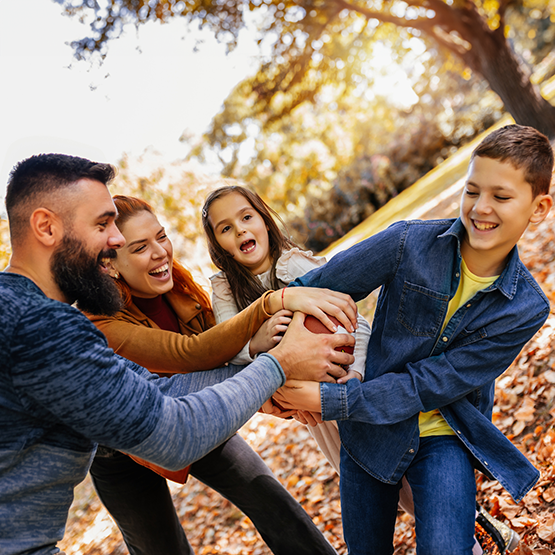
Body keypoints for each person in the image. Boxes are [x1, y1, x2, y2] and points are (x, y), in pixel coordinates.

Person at [0, 153, 358, 555]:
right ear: (46, 227)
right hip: (132, 447)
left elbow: (162, 391)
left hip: (155, 417)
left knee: (269, 499)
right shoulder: (44, 326)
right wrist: (277, 365)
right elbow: (177, 411)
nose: (114, 239)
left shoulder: (37, 316)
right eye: (102, 225)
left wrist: (270, 382)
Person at [272, 124, 553, 554]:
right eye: (472, 190)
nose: (480, 208)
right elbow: (320, 286)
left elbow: (428, 383)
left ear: (539, 209)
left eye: (501, 196)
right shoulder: (408, 243)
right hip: (369, 433)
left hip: (444, 437)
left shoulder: (525, 309)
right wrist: (279, 359)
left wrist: (327, 400)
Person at [201, 184, 520, 555]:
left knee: (405, 475)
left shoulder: (297, 266)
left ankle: (469, 533)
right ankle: (474, 522)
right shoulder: (226, 291)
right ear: (217, 244)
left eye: (246, 217)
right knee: (370, 481)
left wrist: (355, 376)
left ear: (263, 219)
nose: (240, 230)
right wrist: (254, 344)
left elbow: (355, 323)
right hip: (315, 412)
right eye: (225, 228)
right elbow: (228, 347)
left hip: (353, 390)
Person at [86, 194, 343, 555]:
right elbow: (188, 355)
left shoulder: (178, 286)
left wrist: (258, 361)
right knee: (161, 549)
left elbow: (220, 361)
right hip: (121, 448)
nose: (160, 252)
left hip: (187, 412)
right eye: (141, 247)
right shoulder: (100, 322)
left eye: (161, 236)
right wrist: (271, 305)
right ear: (110, 265)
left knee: (272, 501)